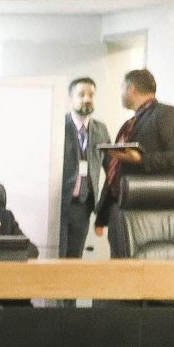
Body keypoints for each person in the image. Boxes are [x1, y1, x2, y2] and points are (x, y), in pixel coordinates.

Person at [94, 68, 174, 258]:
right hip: (122, 210)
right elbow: (115, 170)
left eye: (122, 88)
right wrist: (103, 214)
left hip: (150, 212)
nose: (121, 94)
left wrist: (141, 159)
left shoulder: (167, 115)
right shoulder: (129, 124)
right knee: (119, 266)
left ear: (131, 89)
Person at [59, 76, 103, 260]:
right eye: (81, 94)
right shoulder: (59, 125)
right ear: (71, 98)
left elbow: (111, 166)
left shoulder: (100, 130)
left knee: (74, 258)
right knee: (56, 256)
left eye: (91, 95)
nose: (87, 99)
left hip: (83, 204)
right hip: (59, 202)